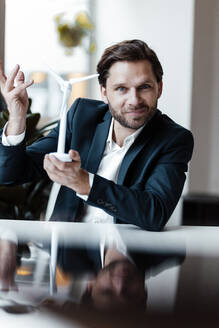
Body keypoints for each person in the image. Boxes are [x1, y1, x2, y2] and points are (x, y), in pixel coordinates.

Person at [0, 39, 193, 230]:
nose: (134, 100)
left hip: (128, 253)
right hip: (66, 252)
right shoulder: (82, 117)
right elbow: (9, 174)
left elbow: (155, 213)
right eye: (121, 89)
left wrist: (85, 183)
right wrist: (17, 117)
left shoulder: (173, 139)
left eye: (144, 87)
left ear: (159, 88)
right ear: (104, 92)